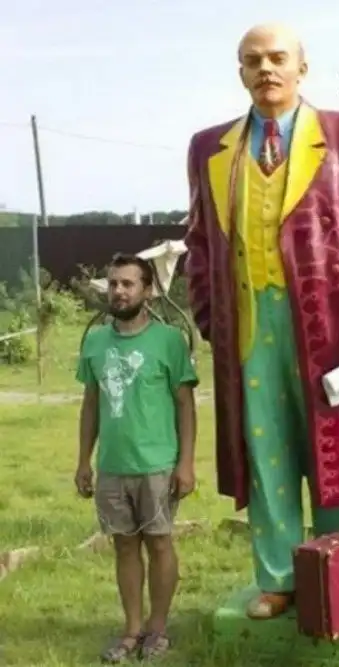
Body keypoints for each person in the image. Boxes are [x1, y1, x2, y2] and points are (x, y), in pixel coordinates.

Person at [183, 22, 339, 619]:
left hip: (331, 328)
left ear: (301, 67)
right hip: (249, 325)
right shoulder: (209, 148)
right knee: (266, 448)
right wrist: (211, 317)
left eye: (278, 58)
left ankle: (335, 570)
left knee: (333, 448)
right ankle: (278, 577)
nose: (266, 69)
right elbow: (199, 243)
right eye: (253, 60)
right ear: (240, 71)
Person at [74, 253, 199, 663]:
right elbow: (91, 405)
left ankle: (157, 629)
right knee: (124, 547)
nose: (119, 291)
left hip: (157, 465)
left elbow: (185, 405)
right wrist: (84, 461)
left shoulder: (169, 341)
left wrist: (186, 463)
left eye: (128, 284)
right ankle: (131, 630)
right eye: (113, 283)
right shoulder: (95, 342)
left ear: (147, 290)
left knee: (160, 544)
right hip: (113, 466)